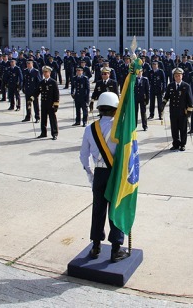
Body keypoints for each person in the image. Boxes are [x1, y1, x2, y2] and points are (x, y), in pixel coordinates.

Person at [79, 92, 129, 263]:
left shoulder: (89, 129)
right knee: (115, 210)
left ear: (99, 108)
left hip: (99, 173)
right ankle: (116, 249)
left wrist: (90, 174)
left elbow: (83, 156)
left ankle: (95, 246)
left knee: (98, 210)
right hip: (115, 174)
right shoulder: (121, 127)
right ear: (116, 109)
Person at [162, 68, 193, 151]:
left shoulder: (186, 86)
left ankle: (183, 144)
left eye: (179, 75)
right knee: (174, 129)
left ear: (182, 76)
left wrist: (189, 112)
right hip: (173, 111)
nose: (177, 77)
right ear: (174, 77)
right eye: (176, 76)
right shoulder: (170, 86)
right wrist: (163, 104)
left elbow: (190, 100)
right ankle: (175, 144)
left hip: (183, 112)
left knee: (183, 129)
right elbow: (166, 97)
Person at [36, 66, 59, 140]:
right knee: (43, 119)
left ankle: (54, 133)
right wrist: (31, 98)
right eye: (43, 72)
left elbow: (56, 95)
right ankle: (43, 133)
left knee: (52, 119)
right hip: (44, 103)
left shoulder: (53, 82)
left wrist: (56, 105)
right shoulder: (42, 82)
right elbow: (37, 91)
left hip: (51, 104)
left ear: (49, 72)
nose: (44, 73)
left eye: (46, 72)